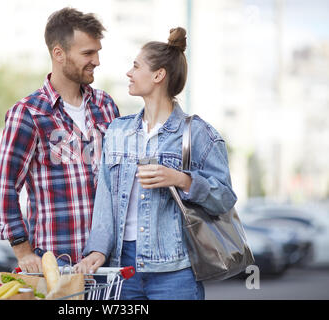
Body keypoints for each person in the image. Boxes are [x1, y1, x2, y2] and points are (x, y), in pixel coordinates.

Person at [74, 27, 237, 300]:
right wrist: (98, 250)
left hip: (177, 272)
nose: (129, 73)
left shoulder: (197, 133)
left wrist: (182, 179)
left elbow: (225, 199)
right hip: (122, 271)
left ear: (158, 75)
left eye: (136, 66)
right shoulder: (118, 131)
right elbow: (105, 198)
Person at [0, 7, 120, 273]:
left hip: (108, 269)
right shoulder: (28, 113)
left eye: (97, 52)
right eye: (87, 53)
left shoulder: (106, 106)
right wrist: (23, 251)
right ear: (58, 54)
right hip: (57, 269)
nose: (96, 61)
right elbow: (4, 189)